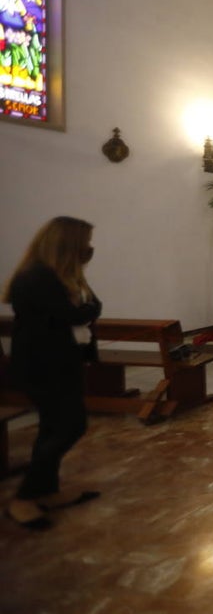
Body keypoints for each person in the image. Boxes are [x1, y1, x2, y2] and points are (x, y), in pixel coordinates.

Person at [3, 216, 103, 530]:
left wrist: (87, 303)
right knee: (69, 426)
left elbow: (88, 305)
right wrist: (89, 309)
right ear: (68, 243)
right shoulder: (37, 277)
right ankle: (24, 498)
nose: (89, 249)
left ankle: (47, 491)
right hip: (43, 363)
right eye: (85, 243)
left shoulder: (58, 274)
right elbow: (75, 313)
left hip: (60, 360)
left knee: (54, 427)